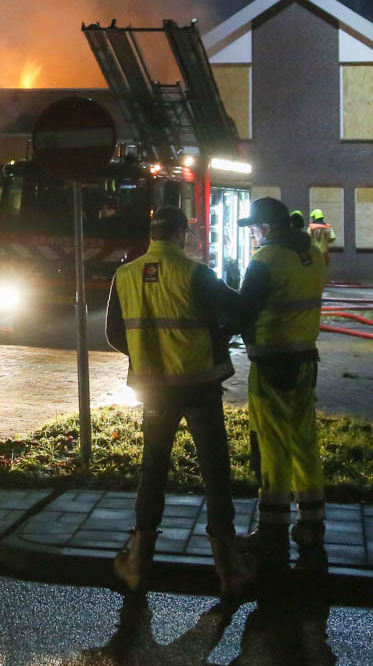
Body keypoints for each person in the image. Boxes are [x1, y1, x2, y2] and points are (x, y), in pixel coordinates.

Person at [104, 205, 246, 596]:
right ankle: (229, 569)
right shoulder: (197, 274)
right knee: (215, 470)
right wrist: (216, 339)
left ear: (152, 234)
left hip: (154, 389)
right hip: (199, 386)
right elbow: (239, 312)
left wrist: (144, 354)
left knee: (153, 470)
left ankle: (137, 565)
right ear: (182, 233)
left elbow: (114, 333)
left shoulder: (125, 274)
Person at [233, 197, 327, 568]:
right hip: (306, 360)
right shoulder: (313, 255)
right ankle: (311, 524)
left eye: (254, 228)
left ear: (267, 228)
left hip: (272, 363)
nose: (253, 236)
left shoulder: (266, 259)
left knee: (273, 444)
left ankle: (271, 531)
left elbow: (244, 310)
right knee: (304, 440)